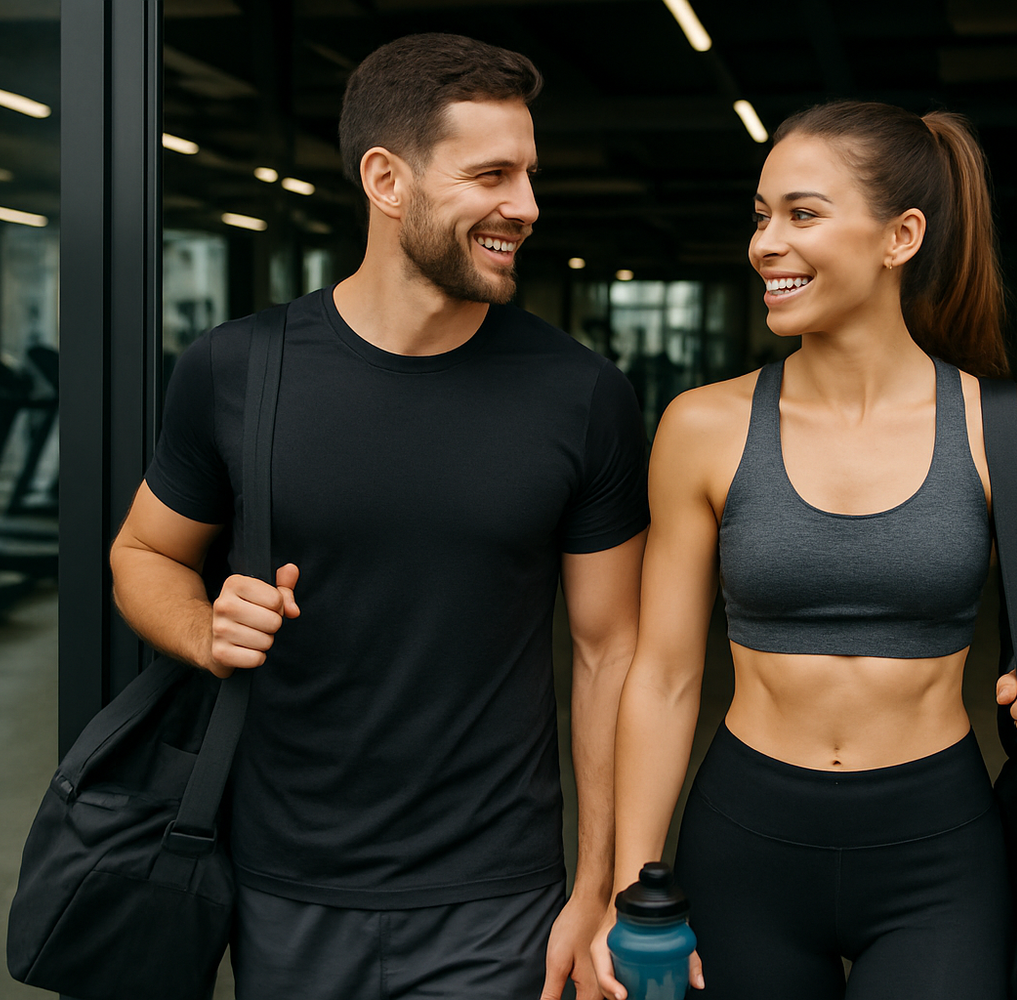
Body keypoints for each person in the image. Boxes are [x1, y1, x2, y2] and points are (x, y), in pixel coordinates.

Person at [110, 33, 649, 1000]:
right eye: (491, 174)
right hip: (285, 887)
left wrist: (596, 885)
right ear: (386, 179)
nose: (524, 206)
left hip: (499, 896)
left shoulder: (582, 395)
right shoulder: (235, 370)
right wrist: (203, 627)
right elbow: (143, 552)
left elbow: (613, 653)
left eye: (529, 175)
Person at [590, 101, 1017, 1000]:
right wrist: (628, 890)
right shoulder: (703, 427)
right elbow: (665, 675)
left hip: (936, 850)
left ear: (900, 236)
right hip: (745, 840)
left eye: (802, 213)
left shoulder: (1016, 428)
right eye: (760, 215)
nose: (765, 243)